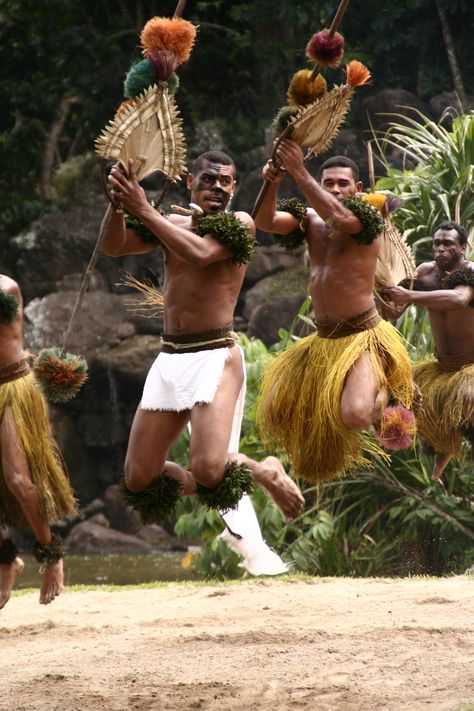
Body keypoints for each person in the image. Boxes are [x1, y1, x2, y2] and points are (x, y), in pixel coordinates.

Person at [100, 150, 304, 573]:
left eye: (226, 181)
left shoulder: (239, 225)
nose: (217, 187)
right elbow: (114, 244)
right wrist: (118, 203)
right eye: (209, 179)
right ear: (191, 180)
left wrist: (142, 208)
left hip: (215, 355)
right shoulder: (171, 223)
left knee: (210, 467)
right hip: (170, 357)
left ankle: (265, 470)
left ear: (233, 188)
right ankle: (245, 473)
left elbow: (201, 255)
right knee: (140, 478)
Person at [254, 140, 415, 483]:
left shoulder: (365, 218)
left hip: (361, 335)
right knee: (273, 409)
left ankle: (389, 390)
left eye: (343, 183)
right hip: (324, 338)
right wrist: (273, 180)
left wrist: (298, 170)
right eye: (329, 183)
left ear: (358, 189)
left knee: (357, 414)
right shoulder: (310, 220)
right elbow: (265, 221)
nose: (336, 189)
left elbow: (340, 218)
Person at [0, 274, 77, 609]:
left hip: (12, 388)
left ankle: (50, 554)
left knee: (18, 479)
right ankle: (6, 560)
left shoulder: (6, 288)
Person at [383, 221, 474, 480]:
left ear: (463, 248)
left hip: (471, 366)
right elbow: (393, 312)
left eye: (448, 244)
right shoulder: (425, 273)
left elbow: (458, 300)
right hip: (442, 366)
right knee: (414, 399)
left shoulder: (470, 272)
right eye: (436, 243)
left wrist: (408, 296)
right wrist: (383, 291)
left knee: (469, 400)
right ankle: (441, 445)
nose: (440, 249)